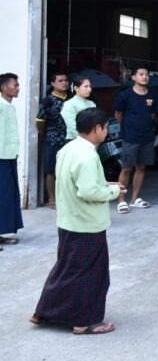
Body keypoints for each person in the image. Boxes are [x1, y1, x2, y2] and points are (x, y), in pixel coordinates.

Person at [31, 107, 124, 334]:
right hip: (87, 224)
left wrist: (106, 185)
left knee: (66, 269)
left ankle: (44, 311)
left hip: (68, 221)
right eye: (104, 127)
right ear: (97, 129)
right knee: (91, 274)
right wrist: (113, 192)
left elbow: (76, 184)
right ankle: (85, 321)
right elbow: (89, 192)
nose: (106, 131)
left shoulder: (68, 148)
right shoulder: (89, 155)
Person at [113, 67, 158, 213]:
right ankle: (121, 201)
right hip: (130, 137)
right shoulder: (125, 95)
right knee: (126, 168)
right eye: (141, 74)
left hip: (146, 137)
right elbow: (118, 115)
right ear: (133, 77)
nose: (144, 77)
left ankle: (134, 199)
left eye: (146, 74)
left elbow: (153, 115)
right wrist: (127, 128)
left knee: (141, 167)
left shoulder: (152, 95)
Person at [35, 72, 68, 208]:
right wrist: (44, 133)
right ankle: (52, 199)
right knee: (51, 170)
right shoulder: (48, 100)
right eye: (60, 81)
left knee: (68, 170)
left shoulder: (71, 99)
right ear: (53, 84)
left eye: (66, 80)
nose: (64, 83)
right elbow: (40, 121)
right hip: (52, 139)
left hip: (69, 138)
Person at [0, 73, 23, 247]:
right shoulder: (1, 106)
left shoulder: (8, 106)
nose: (18, 88)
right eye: (14, 85)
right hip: (1, 157)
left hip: (8, 155)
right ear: (3, 88)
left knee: (7, 195)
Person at [61, 76, 96, 143]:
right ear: (76, 88)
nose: (89, 89)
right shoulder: (69, 104)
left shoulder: (92, 104)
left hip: (91, 139)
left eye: (90, 86)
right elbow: (71, 126)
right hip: (74, 140)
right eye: (86, 86)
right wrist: (85, 139)